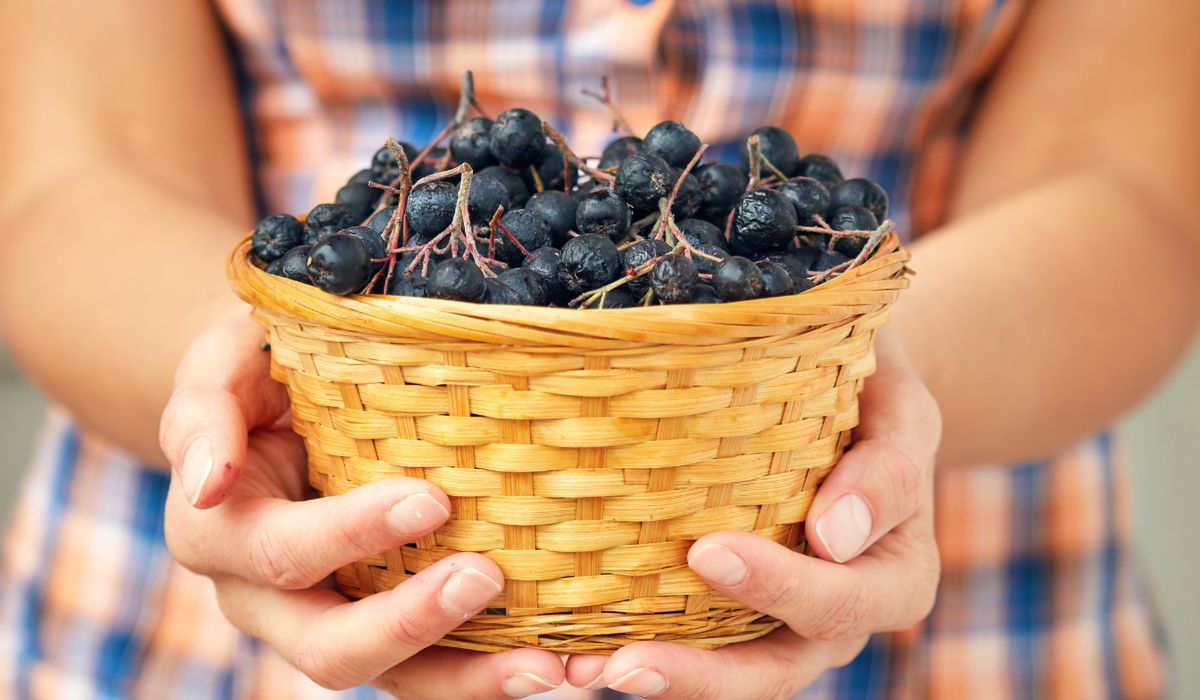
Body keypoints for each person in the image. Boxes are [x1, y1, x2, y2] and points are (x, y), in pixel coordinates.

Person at [1, 1, 1196, 698]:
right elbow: (69, 177)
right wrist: (255, 382)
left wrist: (854, 377)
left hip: (959, 605)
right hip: (218, 609)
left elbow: (1139, 196)